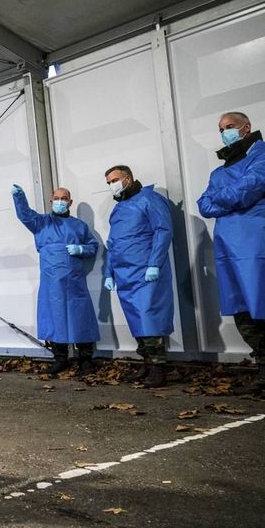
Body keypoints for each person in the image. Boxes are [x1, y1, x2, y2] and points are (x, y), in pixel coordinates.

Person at [197, 112, 265, 400]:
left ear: (247, 127)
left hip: (262, 241)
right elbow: (204, 205)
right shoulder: (218, 172)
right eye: (221, 129)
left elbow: (252, 185)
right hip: (229, 247)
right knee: (243, 311)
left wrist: (226, 198)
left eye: (229, 127)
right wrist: (230, 197)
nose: (224, 132)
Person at [11, 184, 100, 375]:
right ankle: (60, 358)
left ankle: (86, 360)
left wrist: (81, 249)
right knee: (55, 318)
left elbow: (93, 246)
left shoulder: (79, 226)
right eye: (57, 198)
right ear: (51, 201)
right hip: (52, 283)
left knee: (80, 318)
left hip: (75, 282)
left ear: (70, 202)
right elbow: (25, 214)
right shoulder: (41, 223)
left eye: (64, 198)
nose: (60, 201)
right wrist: (19, 197)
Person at [102, 165, 175, 388]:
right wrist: (109, 272)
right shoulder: (119, 209)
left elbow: (163, 231)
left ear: (128, 178)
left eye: (114, 180)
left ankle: (158, 366)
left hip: (145, 272)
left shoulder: (149, 199)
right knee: (136, 319)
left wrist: (154, 264)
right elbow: (113, 244)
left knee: (150, 317)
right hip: (125, 275)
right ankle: (146, 361)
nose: (111, 185)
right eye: (108, 183)